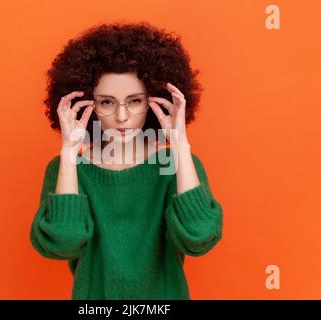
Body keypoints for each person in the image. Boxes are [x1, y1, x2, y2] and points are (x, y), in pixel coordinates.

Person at [30, 21, 223, 300]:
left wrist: (179, 145)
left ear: (155, 101)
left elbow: (199, 238)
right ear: (87, 102)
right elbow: (63, 243)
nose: (122, 117)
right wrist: (70, 154)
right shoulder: (66, 168)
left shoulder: (176, 164)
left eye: (134, 101)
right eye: (107, 102)